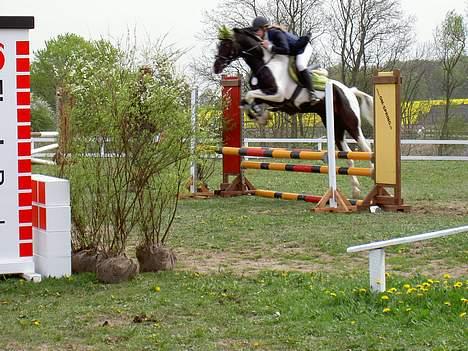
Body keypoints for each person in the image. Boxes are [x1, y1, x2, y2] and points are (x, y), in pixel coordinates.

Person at [251, 16, 319, 103]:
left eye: (257, 30)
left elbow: (285, 50)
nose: (256, 33)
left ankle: (312, 93)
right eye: (254, 31)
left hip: (303, 48)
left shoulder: (276, 33)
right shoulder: (264, 38)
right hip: (291, 52)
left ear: (264, 29)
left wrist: (270, 47)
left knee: (300, 65)